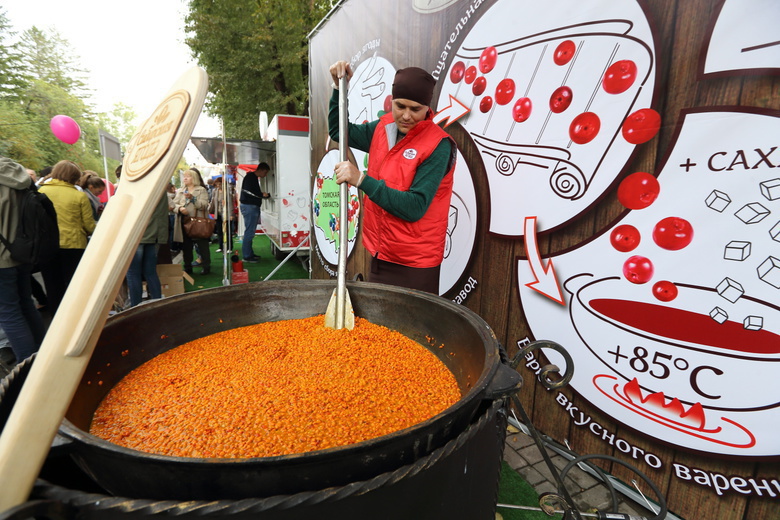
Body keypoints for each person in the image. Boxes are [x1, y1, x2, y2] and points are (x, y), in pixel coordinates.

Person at [328, 61, 456, 294]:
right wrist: (339, 89)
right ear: (392, 101)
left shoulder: (438, 145)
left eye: (415, 109)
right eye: (400, 106)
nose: (406, 116)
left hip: (416, 263)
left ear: (428, 108)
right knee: (382, 329)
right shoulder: (383, 127)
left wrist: (361, 180)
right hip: (381, 253)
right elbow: (339, 132)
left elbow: (415, 207)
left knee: (413, 330)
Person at [0, 156, 46, 365]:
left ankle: (27, 368)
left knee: (9, 313)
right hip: (22, 252)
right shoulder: (20, 175)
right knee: (26, 304)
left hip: (2, 259)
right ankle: (42, 357)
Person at [39, 160, 97, 313]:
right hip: (74, 245)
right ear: (74, 178)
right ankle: (75, 319)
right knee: (74, 286)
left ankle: (56, 323)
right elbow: (89, 226)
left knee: (52, 287)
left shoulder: (40, 192)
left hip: (47, 246)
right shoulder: (79, 196)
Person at [126, 191, 169, 307]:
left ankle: (135, 307)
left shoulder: (143, 186)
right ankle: (157, 304)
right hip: (156, 234)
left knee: (133, 273)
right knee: (150, 272)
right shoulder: (161, 187)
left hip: (139, 234)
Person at [172, 169, 211, 275]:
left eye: (188, 176)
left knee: (202, 245)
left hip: (198, 222)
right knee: (186, 247)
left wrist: (193, 199)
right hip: (183, 223)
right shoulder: (180, 190)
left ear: (194, 178)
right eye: (184, 176)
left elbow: (203, 205)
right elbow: (173, 205)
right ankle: (188, 267)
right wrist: (179, 209)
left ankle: (206, 266)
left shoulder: (201, 190)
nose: (185, 178)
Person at [239, 162, 270, 262]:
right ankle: (247, 256)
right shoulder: (251, 177)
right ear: (261, 170)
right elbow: (248, 192)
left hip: (250, 206)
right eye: (265, 173)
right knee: (249, 232)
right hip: (250, 206)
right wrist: (262, 195)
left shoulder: (251, 177)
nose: (265, 175)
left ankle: (249, 253)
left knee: (250, 231)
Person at [209, 176, 234, 253]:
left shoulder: (227, 192)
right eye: (217, 184)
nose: (218, 185)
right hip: (218, 213)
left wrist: (231, 214)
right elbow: (213, 202)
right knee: (219, 231)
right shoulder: (214, 191)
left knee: (227, 231)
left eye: (220, 184)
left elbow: (230, 204)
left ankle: (229, 247)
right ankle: (221, 246)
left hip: (226, 213)